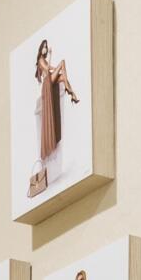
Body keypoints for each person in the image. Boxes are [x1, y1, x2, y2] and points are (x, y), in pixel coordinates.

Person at [28, 39, 81, 199]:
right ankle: (72, 93)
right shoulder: (40, 60)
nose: (44, 49)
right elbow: (48, 69)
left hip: (49, 82)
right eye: (43, 48)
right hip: (47, 84)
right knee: (62, 65)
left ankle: (71, 93)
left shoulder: (43, 59)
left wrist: (54, 66)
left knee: (63, 77)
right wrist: (50, 56)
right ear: (40, 50)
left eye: (46, 48)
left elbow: (52, 69)